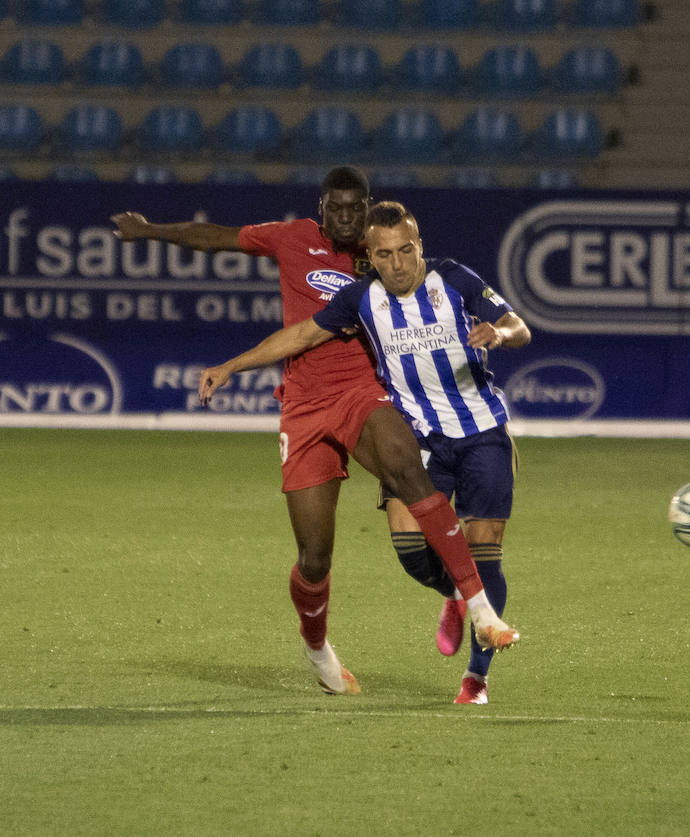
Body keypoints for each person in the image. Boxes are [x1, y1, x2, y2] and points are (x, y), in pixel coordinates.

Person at [112, 168, 517, 698]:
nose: (347, 218)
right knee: (315, 556)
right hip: (303, 406)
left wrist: (490, 336)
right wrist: (149, 231)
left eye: (356, 209)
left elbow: (435, 300)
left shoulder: (381, 257)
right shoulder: (293, 238)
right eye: (337, 208)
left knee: (407, 470)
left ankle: (479, 608)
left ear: (368, 209)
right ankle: (318, 647)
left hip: (364, 395)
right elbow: (217, 241)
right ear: (321, 208)